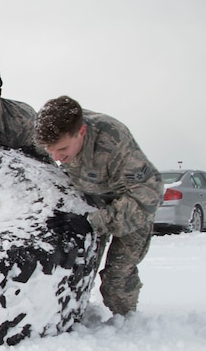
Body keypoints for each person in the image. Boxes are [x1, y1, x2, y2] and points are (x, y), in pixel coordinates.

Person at [34, 95, 163, 318]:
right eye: (49, 150)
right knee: (80, 268)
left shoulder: (113, 139)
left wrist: (94, 221)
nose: (56, 157)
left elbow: (149, 193)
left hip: (130, 206)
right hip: (93, 201)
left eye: (62, 149)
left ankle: (128, 327)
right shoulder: (48, 132)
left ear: (81, 132)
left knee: (116, 281)